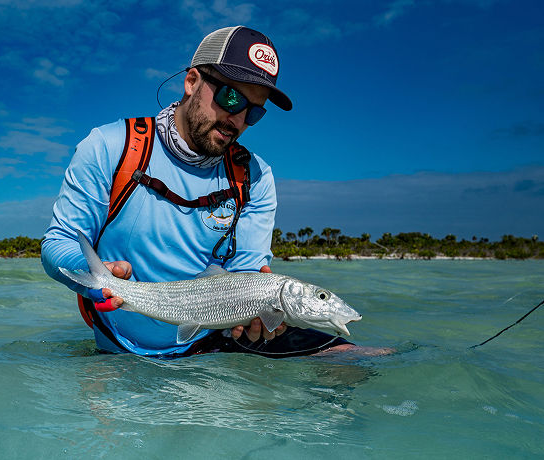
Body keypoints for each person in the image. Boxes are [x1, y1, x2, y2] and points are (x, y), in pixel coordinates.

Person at [41, 26, 358, 358]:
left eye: (254, 112)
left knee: (351, 356)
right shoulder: (111, 146)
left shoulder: (256, 176)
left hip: (211, 342)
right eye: (231, 97)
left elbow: (247, 271)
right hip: (121, 347)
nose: (237, 118)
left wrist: (255, 318)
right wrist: (99, 272)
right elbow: (58, 241)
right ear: (191, 81)